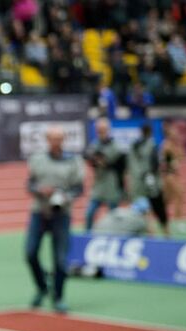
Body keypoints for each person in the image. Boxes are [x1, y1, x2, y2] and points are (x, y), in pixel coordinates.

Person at [24, 128, 85, 313]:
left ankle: (58, 296)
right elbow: (29, 183)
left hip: (62, 214)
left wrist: (65, 195)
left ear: (64, 139)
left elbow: (79, 188)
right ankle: (42, 286)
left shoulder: (74, 161)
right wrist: (39, 190)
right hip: (39, 211)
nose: (56, 142)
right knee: (30, 253)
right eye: (53, 139)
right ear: (47, 139)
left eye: (59, 138)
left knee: (60, 259)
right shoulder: (37, 159)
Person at [84, 118, 126, 232]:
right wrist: (98, 160)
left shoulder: (115, 145)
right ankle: (87, 236)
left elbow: (106, 159)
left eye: (103, 130)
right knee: (89, 213)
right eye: (99, 130)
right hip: (99, 185)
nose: (101, 133)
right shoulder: (95, 143)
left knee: (114, 216)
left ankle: (116, 236)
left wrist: (98, 159)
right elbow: (89, 156)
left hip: (112, 185)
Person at [127, 124, 168, 236]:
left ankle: (153, 236)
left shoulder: (135, 145)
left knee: (145, 212)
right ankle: (166, 236)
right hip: (151, 184)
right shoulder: (152, 145)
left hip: (139, 186)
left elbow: (131, 165)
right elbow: (156, 164)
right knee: (158, 212)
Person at [161, 120, 186, 232]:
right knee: (179, 194)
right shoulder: (166, 145)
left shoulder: (175, 145)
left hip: (174, 174)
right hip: (169, 175)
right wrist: (172, 162)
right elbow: (165, 162)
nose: (175, 133)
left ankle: (163, 219)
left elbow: (182, 157)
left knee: (166, 200)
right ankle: (179, 221)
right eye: (172, 131)